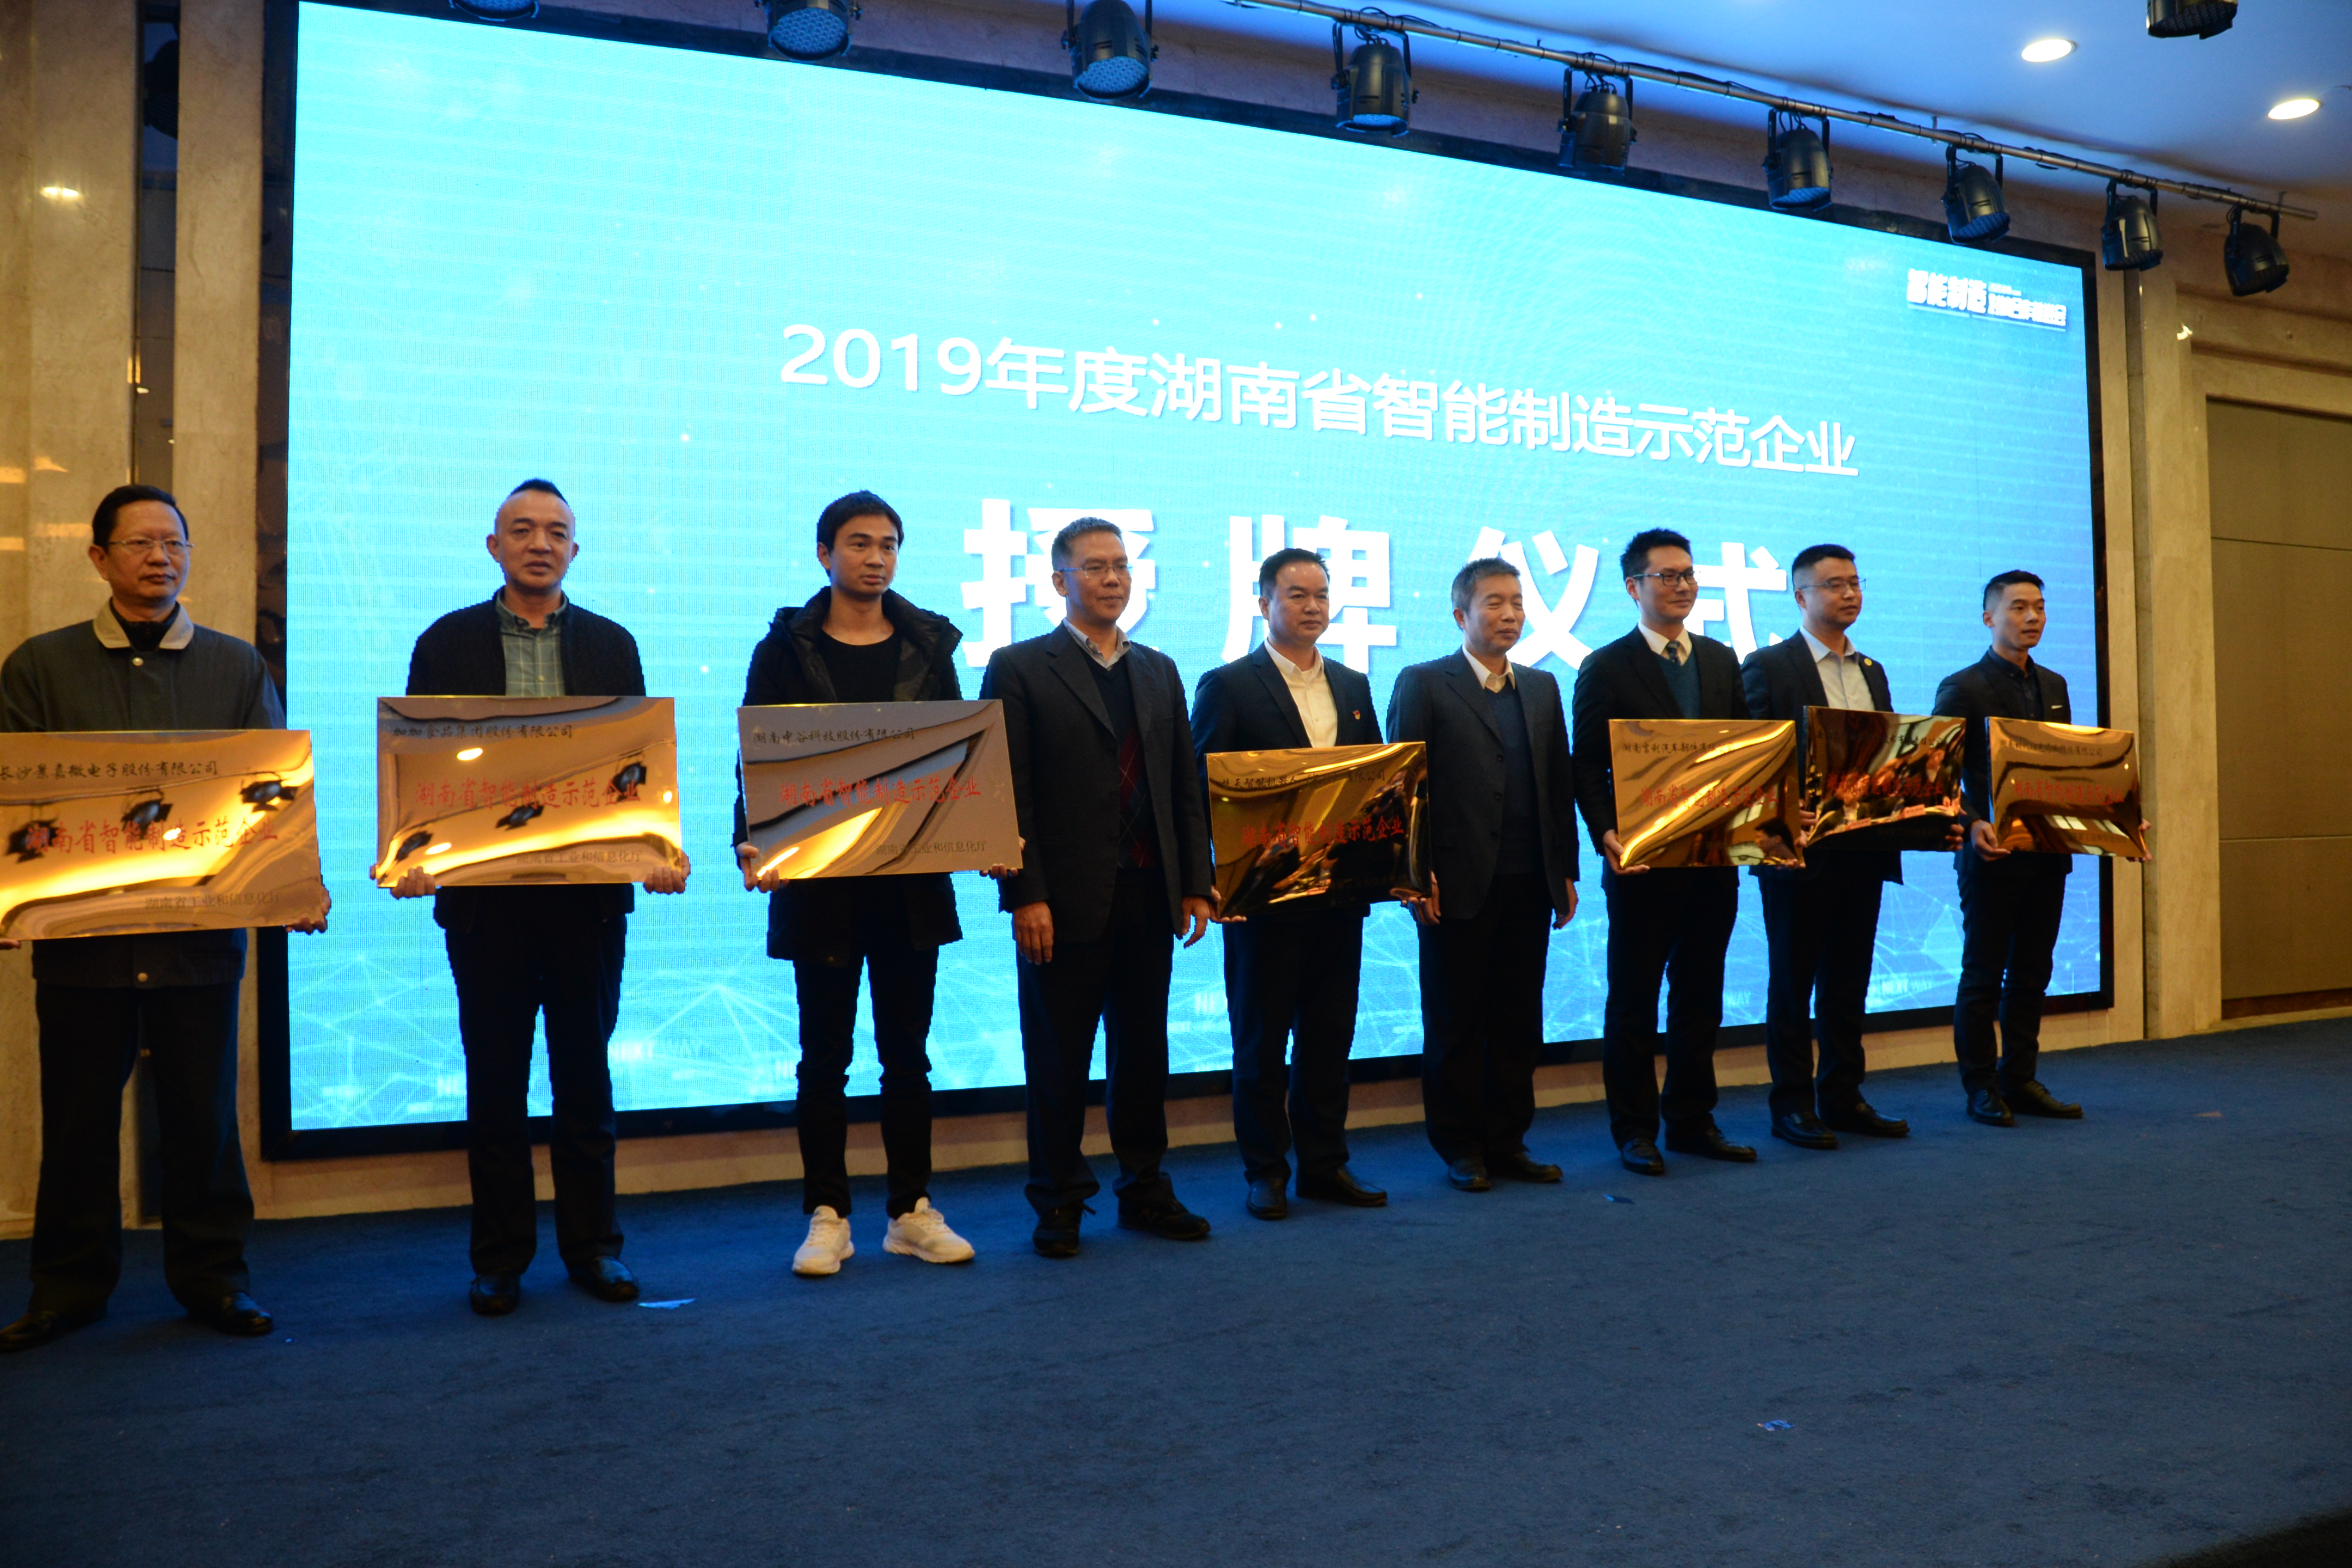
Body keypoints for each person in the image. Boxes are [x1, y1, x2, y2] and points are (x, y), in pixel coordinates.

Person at [0, 485, 329, 1354]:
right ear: (98, 558)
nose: (160, 558)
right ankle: (67, 1288)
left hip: (198, 941)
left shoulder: (236, 666)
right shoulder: (40, 666)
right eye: (140, 543)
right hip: (81, 947)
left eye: (174, 544)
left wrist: (293, 885)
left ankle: (215, 1279)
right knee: (76, 1124)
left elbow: (269, 798)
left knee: (203, 1119)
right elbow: (13, 805)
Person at [394, 479, 688, 1316]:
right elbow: (418, 762)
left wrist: (656, 847)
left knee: (585, 1079)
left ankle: (595, 1247)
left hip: (586, 901)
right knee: (495, 1083)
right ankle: (499, 1258)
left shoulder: (612, 644)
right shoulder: (446, 642)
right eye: (522, 530)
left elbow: (636, 767)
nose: (539, 543)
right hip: (485, 903)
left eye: (556, 532)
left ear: (574, 550)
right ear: (494, 546)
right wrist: (411, 854)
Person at [731, 491, 976, 1277]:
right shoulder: (785, 647)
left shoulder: (929, 645)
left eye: (889, 544)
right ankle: (827, 1215)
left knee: (907, 1056)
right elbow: (757, 755)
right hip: (822, 883)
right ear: (825, 554)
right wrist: (751, 840)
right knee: (823, 1058)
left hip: (909, 880)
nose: (876, 557)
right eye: (861, 543)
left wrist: (987, 831)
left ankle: (911, 1210)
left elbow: (961, 756)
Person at [979, 517, 1218, 1258]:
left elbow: (1181, 784)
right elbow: (1006, 790)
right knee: (1059, 1060)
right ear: (1060, 580)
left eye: (1121, 566)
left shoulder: (1159, 669)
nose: (1113, 579)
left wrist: (1197, 882)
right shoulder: (1019, 666)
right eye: (1094, 567)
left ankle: (1145, 1188)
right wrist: (1025, 894)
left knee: (1143, 1056)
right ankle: (1058, 1198)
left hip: (1149, 892)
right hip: (1060, 900)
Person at [1190, 547, 1388, 1220]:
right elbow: (1200, 788)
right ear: (1263, 602)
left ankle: (1325, 1165)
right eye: (1296, 594)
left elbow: (1376, 785)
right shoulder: (1229, 685)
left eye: (1321, 595)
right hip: (1261, 898)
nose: (1312, 606)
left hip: (1339, 895)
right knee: (1261, 1043)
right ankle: (1266, 1171)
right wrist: (1211, 880)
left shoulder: (1353, 685)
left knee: (1329, 1038)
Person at [1385, 558, 1580, 1193]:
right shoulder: (1425, 682)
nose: (1510, 614)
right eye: (1494, 602)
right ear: (1460, 615)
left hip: (1530, 879)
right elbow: (1403, 789)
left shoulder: (1542, 687)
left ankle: (1507, 1140)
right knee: (1456, 1021)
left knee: (1519, 1019)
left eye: (1517, 603)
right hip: (1455, 882)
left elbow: (1557, 783)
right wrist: (1416, 875)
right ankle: (1461, 1145)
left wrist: (1565, 870)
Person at [1572, 527, 1754, 1177]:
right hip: (1642, 863)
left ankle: (1692, 1120)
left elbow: (1745, 755)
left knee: (1700, 998)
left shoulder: (1720, 658)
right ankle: (1634, 1129)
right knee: (1634, 1002)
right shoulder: (1606, 665)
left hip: (1713, 859)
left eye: (1689, 574)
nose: (1682, 586)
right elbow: (1587, 765)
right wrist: (1605, 833)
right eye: (1667, 576)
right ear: (1633, 587)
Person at [1740, 545, 1914, 1150]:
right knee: (1792, 985)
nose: (1849, 594)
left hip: (1863, 847)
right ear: (1801, 596)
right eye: (1834, 584)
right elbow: (1751, 759)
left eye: (1855, 583)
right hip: (1799, 852)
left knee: (1848, 981)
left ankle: (1843, 1095)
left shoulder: (1872, 670)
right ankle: (1791, 1104)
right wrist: (1784, 809)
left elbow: (1885, 755)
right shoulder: (1768, 666)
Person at [1933, 570, 2084, 1128]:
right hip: (1990, 854)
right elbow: (1938, 777)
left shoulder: (2055, 685)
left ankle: (2020, 1079)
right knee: (1982, 976)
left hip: (2047, 853)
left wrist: (2111, 815)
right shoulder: (1963, 687)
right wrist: (1972, 822)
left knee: (2032, 973)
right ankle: (1980, 1086)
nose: (2032, 617)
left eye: (2039, 607)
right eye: (2018, 607)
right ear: (1988, 618)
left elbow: (2065, 768)